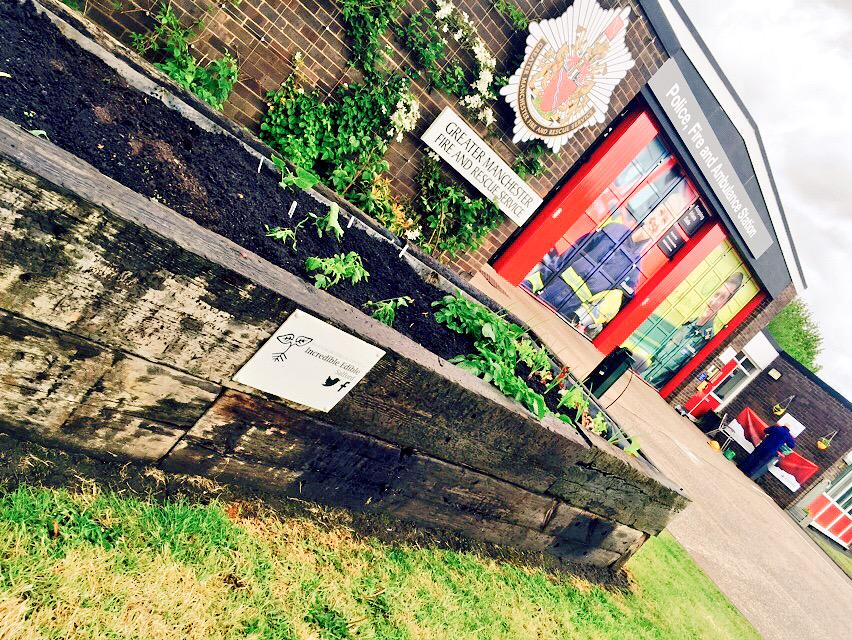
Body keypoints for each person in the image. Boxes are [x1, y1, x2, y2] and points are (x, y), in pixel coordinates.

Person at [523, 206, 676, 335]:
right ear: (651, 211)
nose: (657, 221)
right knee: (522, 319)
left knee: (540, 337)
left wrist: (582, 317)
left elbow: (610, 306)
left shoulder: (634, 270)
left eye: (664, 221)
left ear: (662, 231)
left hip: (571, 312)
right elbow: (571, 254)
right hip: (554, 288)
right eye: (660, 214)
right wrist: (533, 282)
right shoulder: (613, 229)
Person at [639, 272, 744, 389]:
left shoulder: (706, 341)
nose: (714, 302)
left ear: (725, 304)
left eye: (722, 298)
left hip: (653, 391)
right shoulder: (686, 324)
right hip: (641, 377)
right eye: (716, 294)